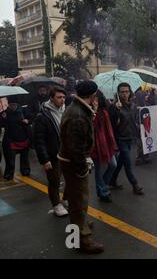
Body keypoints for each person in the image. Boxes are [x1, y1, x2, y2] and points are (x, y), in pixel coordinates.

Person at [58, 80, 104, 253]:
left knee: (75, 198)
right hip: (74, 162)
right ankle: (82, 239)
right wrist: (82, 168)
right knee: (79, 200)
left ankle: (79, 224)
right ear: (92, 96)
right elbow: (75, 148)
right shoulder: (78, 115)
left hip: (70, 160)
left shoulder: (77, 109)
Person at [33, 86, 68, 217]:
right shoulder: (43, 116)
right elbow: (39, 140)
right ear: (51, 99)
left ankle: (64, 200)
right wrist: (44, 159)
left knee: (70, 179)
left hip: (67, 152)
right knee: (54, 181)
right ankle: (56, 205)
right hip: (53, 154)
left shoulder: (66, 111)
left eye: (64, 97)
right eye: (59, 97)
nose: (62, 100)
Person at [109, 83, 144, 195]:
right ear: (118, 93)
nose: (125, 94)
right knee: (128, 162)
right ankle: (135, 184)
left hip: (129, 137)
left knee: (121, 161)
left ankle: (112, 180)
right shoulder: (114, 106)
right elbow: (111, 124)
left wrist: (137, 132)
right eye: (122, 92)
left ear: (130, 92)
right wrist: (116, 111)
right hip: (120, 138)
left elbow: (133, 122)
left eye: (127, 91)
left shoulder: (132, 106)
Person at [91, 90, 117, 203]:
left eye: (97, 98)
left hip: (107, 143)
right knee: (99, 170)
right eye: (93, 98)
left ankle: (103, 185)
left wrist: (117, 110)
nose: (95, 101)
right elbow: (90, 127)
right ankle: (102, 192)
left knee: (113, 165)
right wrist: (94, 112)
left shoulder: (105, 109)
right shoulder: (89, 112)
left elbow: (113, 122)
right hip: (96, 145)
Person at [0, 96, 32, 180]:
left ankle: (25, 171)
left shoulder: (24, 110)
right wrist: (2, 118)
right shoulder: (5, 112)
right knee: (10, 159)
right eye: (11, 105)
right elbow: (1, 125)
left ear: (17, 104)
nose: (13, 106)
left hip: (24, 138)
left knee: (24, 157)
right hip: (10, 139)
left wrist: (27, 121)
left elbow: (31, 117)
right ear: (8, 104)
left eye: (14, 104)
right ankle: (9, 174)